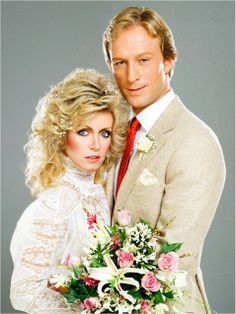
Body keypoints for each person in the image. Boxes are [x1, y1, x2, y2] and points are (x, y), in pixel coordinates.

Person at [103, 6, 226, 313]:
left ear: (168, 62)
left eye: (144, 60)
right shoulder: (112, 134)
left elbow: (174, 260)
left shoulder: (195, 142)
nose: (131, 76)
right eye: (121, 62)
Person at [10, 68, 128, 313]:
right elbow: (24, 294)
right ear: (61, 135)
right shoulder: (56, 205)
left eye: (104, 133)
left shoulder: (98, 195)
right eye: (83, 131)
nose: (96, 144)